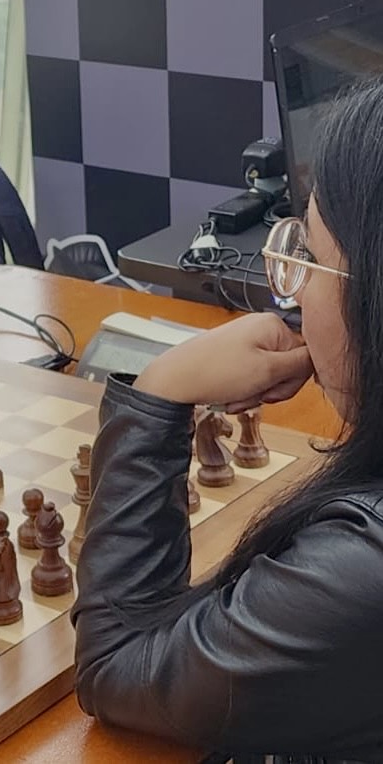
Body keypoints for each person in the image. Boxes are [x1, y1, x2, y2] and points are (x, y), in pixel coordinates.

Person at [73, 77, 383, 763]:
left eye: (312, 258)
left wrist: (160, 388)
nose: (296, 297)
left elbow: (116, 668)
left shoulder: (362, 569)